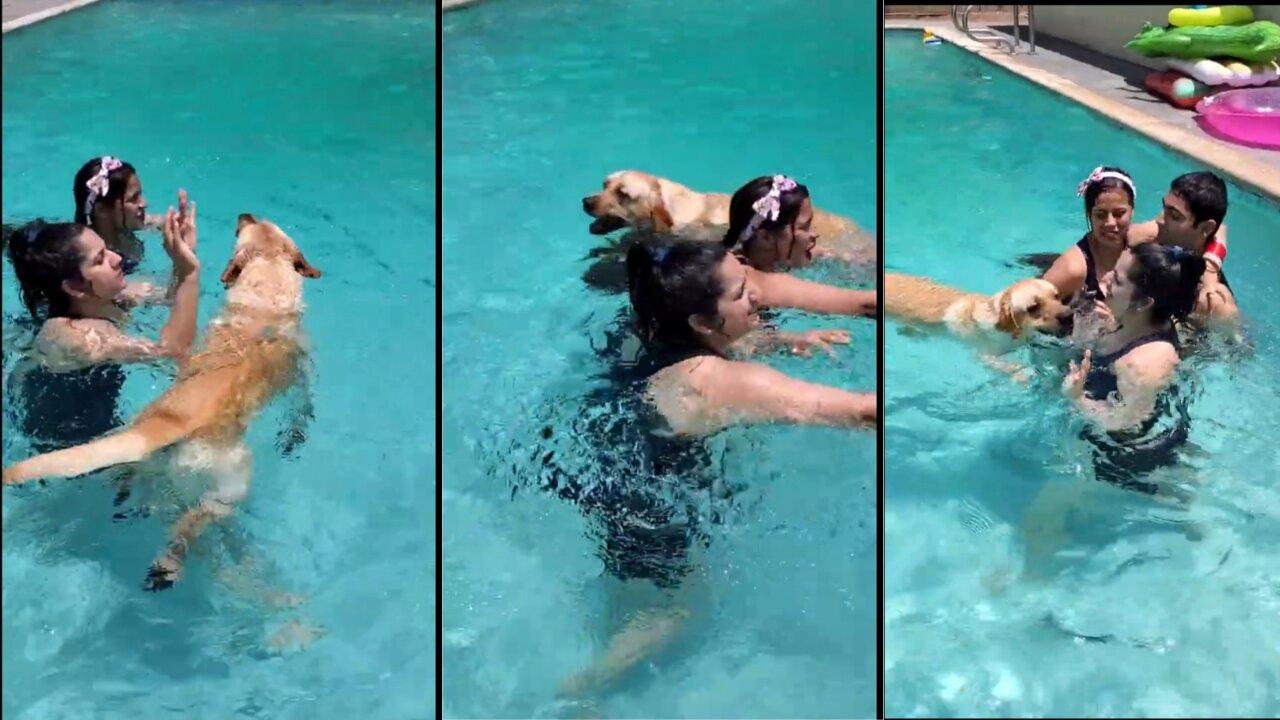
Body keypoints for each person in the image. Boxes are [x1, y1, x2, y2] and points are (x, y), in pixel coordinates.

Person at [540, 238, 875, 703]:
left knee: (630, 594)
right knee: (678, 614)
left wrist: (784, 341)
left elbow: (718, 341)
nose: (756, 294)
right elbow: (859, 413)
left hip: (606, 463)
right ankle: (579, 691)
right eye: (739, 293)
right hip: (650, 502)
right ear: (701, 320)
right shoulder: (713, 383)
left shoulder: (647, 320)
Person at [5, 195, 200, 461]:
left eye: (106, 249)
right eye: (99, 260)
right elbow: (172, 350)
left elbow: (171, 297)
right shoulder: (70, 336)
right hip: (63, 448)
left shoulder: (114, 294)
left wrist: (182, 255)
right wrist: (189, 272)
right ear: (75, 287)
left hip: (103, 424)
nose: (117, 258)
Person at [1062, 243, 1206, 495]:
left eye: (1116, 280)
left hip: (1123, 468)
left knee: (1037, 527)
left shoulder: (1148, 362)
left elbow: (1124, 425)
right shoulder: (1128, 320)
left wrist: (1077, 398)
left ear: (1143, 303)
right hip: (1106, 446)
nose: (1104, 279)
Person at [1041, 168, 1237, 328]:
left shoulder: (1213, 300)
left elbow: (1220, 229)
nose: (1161, 219)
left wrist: (1210, 272)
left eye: (1174, 215)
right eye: (1100, 214)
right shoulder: (1149, 234)